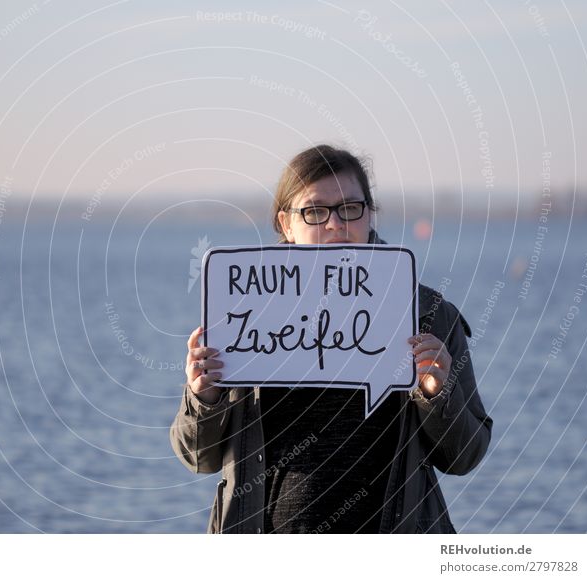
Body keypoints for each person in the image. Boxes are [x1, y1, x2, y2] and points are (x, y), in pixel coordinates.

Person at [170, 144, 493, 534]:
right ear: (285, 224)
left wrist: (438, 395)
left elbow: (465, 456)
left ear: (369, 213)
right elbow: (198, 458)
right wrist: (205, 398)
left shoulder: (428, 314)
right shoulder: (242, 310)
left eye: (350, 207)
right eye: (315, 211)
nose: (336, 223)